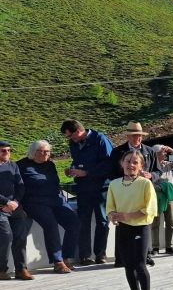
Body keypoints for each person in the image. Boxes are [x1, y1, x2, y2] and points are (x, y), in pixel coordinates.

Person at [107, 151, 157, 290]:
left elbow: (149, 210)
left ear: (141, 166)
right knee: (128, 265)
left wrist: (126, 216)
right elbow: (110, 207)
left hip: (140, 228)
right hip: (123, 228)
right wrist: (113, 216)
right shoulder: (114, 184)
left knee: (140, 264)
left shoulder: (145, 184)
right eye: (128, 161)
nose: (131, 165)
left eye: (135, 162)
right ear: (122, 163)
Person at [18, 140, 80, 273]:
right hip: (35, 202)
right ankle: (58, 261)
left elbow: (56, 184)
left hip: (56, 200)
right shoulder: (22, 165)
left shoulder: (50, 165)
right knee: (50, 224)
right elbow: (18, 187)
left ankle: (67, 257)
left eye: (48, 151)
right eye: (43, 151)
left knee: (74, 222)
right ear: (34, 152)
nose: (47, 154)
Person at [61, 119, 113, 265]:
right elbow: (78, 161)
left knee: (102, 221)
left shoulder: (100, 139)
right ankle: (85, 256)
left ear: (78, 131)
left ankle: (100, 254)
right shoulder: (74, 143)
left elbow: (109, 164)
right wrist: (72, 170)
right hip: (83, 188)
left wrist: (87, 173)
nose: (70, 139)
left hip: (101, 187)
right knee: (83, 222)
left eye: (70, 136)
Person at [109, 122, 157, 267]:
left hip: (143, 191)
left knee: (144, 223)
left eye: (140, 136)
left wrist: (151, 175)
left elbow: (158, 171)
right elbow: (111, 173)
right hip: (124, 191)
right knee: (123, 225)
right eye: (135, 135)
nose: (138, 138)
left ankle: (145, 256)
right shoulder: (117, 152)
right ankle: (121, 259)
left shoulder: (150, 151)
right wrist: (126, 176)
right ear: (128, 136)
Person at [0, 141, 34, 280]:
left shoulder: (13, 166)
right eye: (3, 150)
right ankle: (2, 270)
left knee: (20, 237)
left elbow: (21, 186)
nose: (7, 153)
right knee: (6, 236)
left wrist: (15, 202)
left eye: (9, 150)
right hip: (1, 207)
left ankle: (21, 269)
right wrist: (6, 202)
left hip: (15, 207)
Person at [150, 145, 173, 255]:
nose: (165, 154)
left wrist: (171, 150)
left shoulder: (167, 165)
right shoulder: (150, 166)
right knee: (155, 223)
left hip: (169, 196)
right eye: (162, 152)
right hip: (157, 196)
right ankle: (155, 247)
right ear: (155, 154)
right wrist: (160, 188)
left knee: (171, 222)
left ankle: (169, 247)